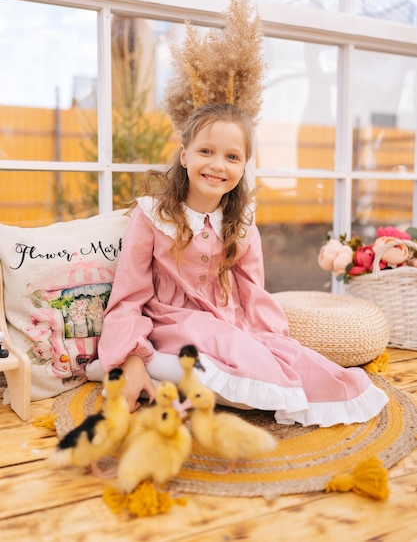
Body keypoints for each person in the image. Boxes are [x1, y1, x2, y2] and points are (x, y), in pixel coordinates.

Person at [96, 102, 388, 426]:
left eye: (232, 157)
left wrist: (274, 340)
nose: (218, 165)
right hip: (172, 324)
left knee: (288, 360)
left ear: (244, 165)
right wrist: (131, 356)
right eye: (206, 151)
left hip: (229, 323)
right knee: (238, 357)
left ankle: (184, 372)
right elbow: (128, 296)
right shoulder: (153, 217)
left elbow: (254, 293)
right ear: (184, 155)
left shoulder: (242, 225)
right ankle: (141, 362)